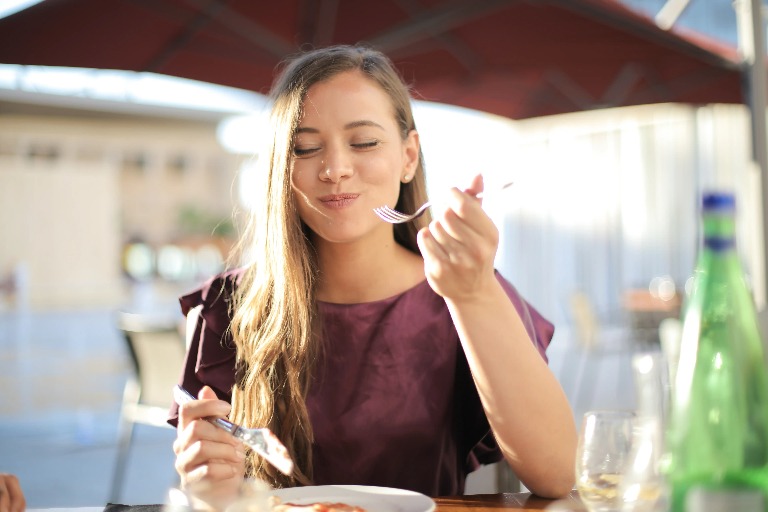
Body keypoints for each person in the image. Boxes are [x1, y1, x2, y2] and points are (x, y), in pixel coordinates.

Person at [169, 44, 576, 501]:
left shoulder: (466, 290)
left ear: (408, 156)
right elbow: (214, 489)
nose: (335, 169)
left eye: (364, 142)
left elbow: (557, 475)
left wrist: (474, 295)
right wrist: (205, 483)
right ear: (281, 169)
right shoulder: (225, 307)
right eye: (304, 148)